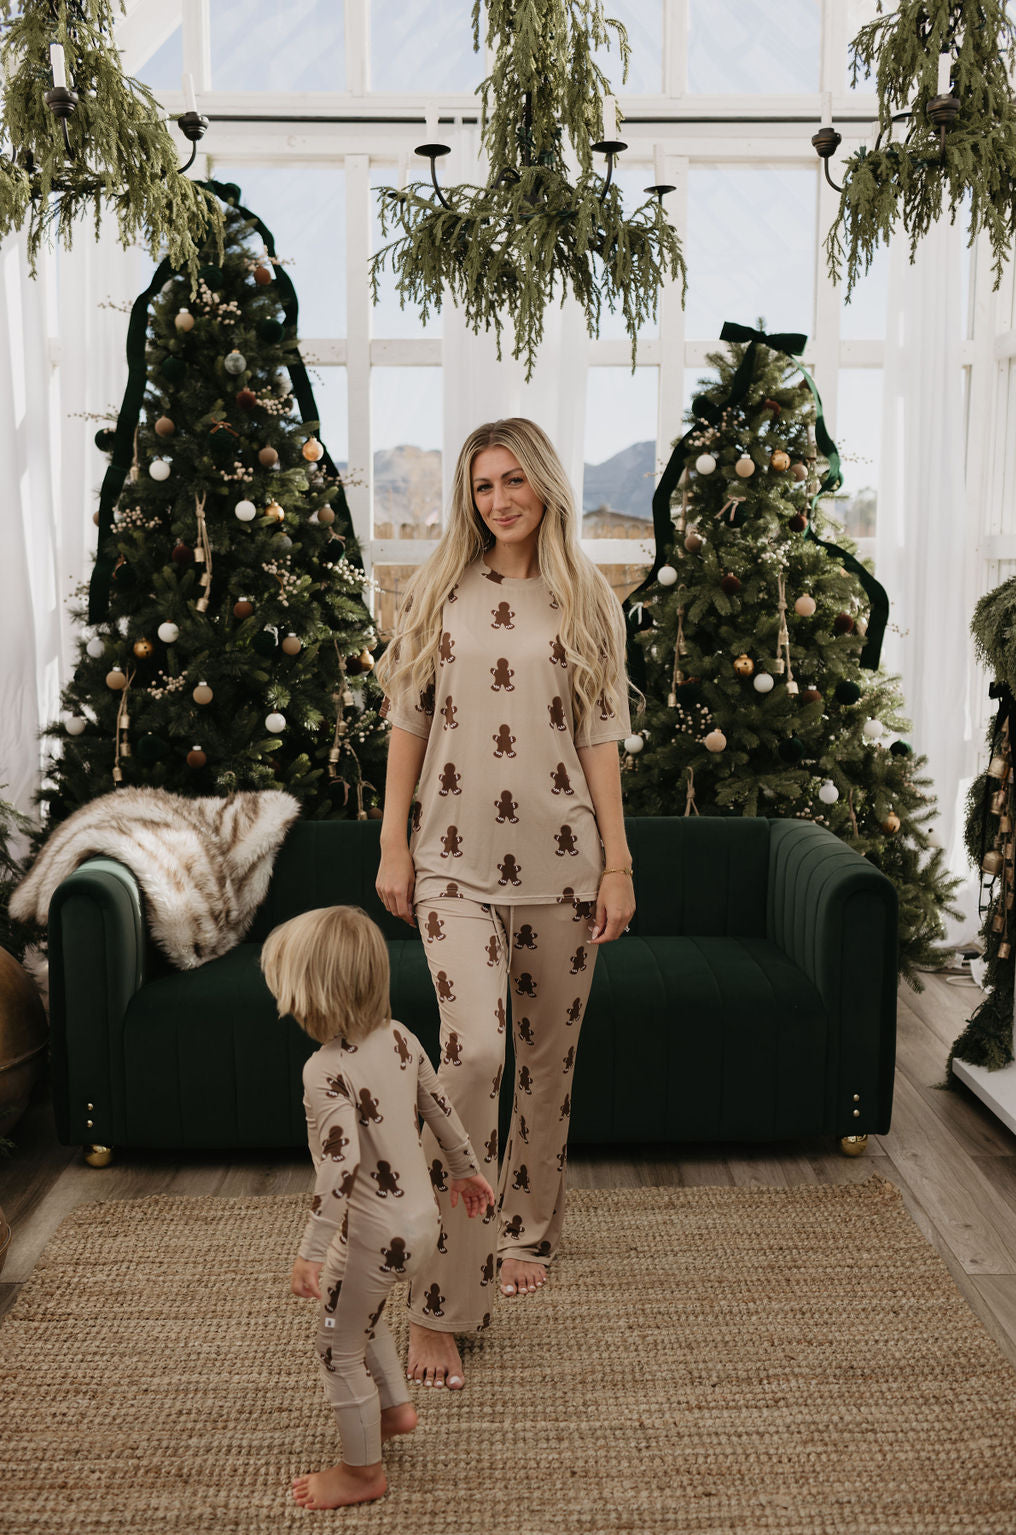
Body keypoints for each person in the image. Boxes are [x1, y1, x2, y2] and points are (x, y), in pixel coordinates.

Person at [374, 416, 638, 1392]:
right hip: (451, 863)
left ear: (546, 487)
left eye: (514, 480)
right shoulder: (437, 589)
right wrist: (392, 841)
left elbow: (602, 735)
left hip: (562, 863)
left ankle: (524, 1228)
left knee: (545, 1065)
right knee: (474, 1053)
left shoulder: (584, 597)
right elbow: (408, 715)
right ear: (467, 497)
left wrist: (616, 863)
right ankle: (446, 1286)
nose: (500, 499)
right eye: (483, 485)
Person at [260, 904, 495, 1510]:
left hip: (373, 1231)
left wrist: (308, 1252)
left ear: (309, 991)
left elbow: (337, 1168)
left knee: (336, 1345)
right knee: (360, 1314)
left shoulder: (324, 1070)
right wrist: (468, 1171)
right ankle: (392, 1408)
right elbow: (441, 1106)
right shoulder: (399, 1036)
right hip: (418, 1223)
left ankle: (362, 1473)